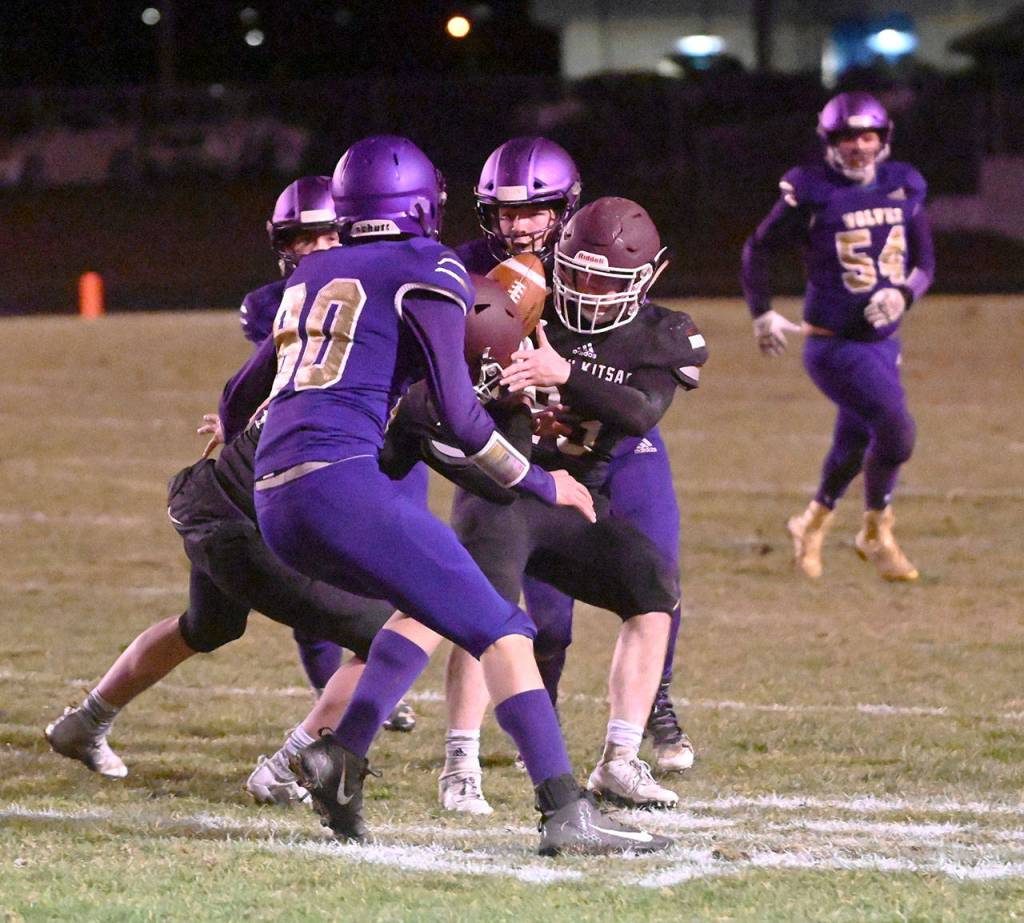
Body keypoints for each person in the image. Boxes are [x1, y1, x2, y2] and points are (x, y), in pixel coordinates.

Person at [241, 134, 669, 856]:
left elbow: (237, 394)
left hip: (274, 497)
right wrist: (542, 481)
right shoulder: (431, 263)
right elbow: (463, 420)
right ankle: (566, 810)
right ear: (425, 203)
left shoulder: (314, 271)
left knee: (426, 605)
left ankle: (338, 759)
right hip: (344, 484)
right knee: (504, 629)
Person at [440, 139, 696, 817]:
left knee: (654, 574)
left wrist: (571, 374)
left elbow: (638, 385)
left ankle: (648, 717)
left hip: (609, 441)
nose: (520, 225)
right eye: (505, 211)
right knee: (533, 618)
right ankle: (520, 735)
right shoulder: (472, 271)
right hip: (525, 457)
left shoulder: (601, 253)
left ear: (567, 209)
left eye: (536, 211)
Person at [43, 410, 395, 807]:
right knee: (388, 636)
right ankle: (288, 769)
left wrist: (237, 415)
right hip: (253, 525)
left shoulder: (324, 355)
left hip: (214, 496)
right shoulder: (383, 380)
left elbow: (259, 369)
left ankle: (84, 722)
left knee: (210, 625)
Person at [234, 175, 420, 730]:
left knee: (404, 583)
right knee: (318, 590)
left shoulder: (395, 280)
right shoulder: (272, 304)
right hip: (319, 449)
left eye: (325, 236)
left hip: (387, 449)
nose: (312, 250)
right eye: (299, 239)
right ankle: (331, 707)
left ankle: (371, 686)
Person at [741, 91, 934, 581]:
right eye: (847, 137)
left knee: (852, 443)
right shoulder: (811, 188)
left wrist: (903, 296)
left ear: (882, 138)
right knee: (897, 431)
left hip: (885, 341)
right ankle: (876, 532)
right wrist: (762, 312)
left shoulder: (903, 184)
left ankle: (811, 523)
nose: (858, 147)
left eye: (867, 136)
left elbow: (925, 264)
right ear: (830, 142)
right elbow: (756, 249)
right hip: (834, 344)